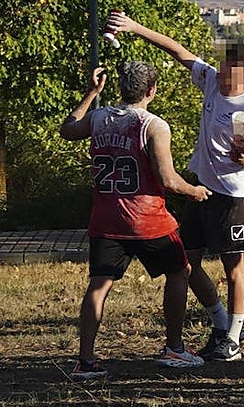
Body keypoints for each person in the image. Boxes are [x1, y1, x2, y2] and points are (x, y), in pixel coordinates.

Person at [107, 13, 244, 362]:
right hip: (201, 188)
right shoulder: (209, 80)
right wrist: (136, 27)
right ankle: (220, 321)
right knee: (187, 263)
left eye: (232, 72)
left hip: (233, 195)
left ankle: (234, 338)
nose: (224, 75)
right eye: (223, 68)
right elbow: (178, 51)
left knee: (233, 266)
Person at [60, 64, 212, 380]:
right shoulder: (153, 126)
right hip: (147, 218)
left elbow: (68, 129)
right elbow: (168, 180)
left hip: (106, 217)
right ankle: (174, 347)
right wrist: (194, 191)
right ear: (151, 91)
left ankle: (85, 360)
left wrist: (91, 93)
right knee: (179, 271)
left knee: (99, 285)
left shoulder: (100, 119)